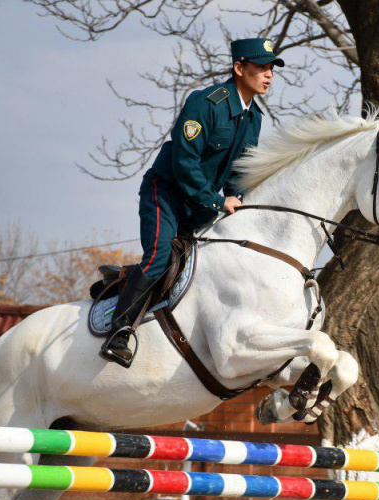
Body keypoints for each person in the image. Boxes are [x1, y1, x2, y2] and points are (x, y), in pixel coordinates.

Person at [100, 38, 284, 368]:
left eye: (271, 69)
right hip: (166, 194)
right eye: (261, 68)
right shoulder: (206, 103)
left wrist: (240, 200)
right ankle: (120, 332)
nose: (268, 75)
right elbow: (185, 162)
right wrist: (216, 201)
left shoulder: (254, 118)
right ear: (239, 68)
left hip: (202, 205)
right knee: (158, 258)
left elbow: (239, 173)